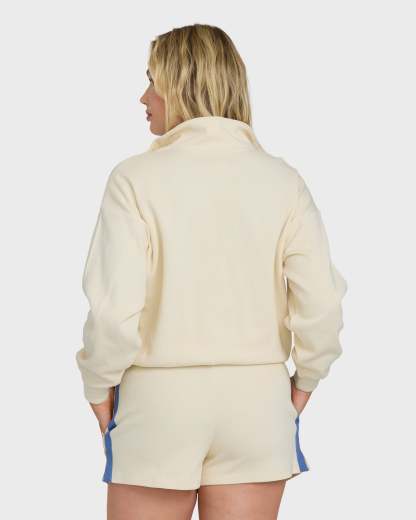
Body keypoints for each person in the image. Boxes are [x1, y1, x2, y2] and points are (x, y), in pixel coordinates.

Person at [75, 23, 348, 520]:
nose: (143, 97)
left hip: (159, 403)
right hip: (257, 403)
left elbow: (115, 311)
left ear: (179, 84)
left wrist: (98, 387)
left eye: (152, 81)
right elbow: (321, 304)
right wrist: (305, 382)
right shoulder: (284, 181)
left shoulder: (134, 180)